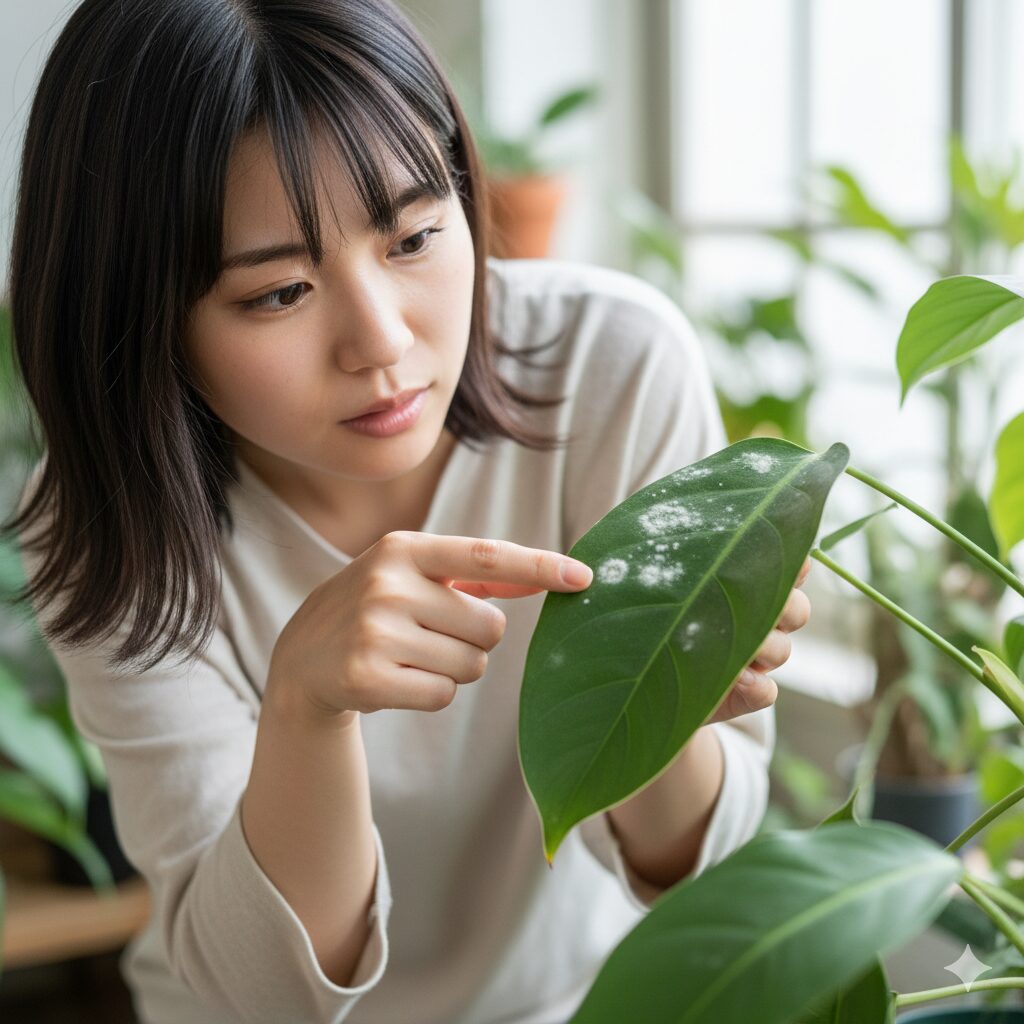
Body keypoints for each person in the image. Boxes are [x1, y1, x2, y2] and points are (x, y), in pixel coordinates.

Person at [4, 1, 810, 1022]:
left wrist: (671, 684)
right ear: (139, 316)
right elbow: (262, 988)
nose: (380, 341)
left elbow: (695, 871)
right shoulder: (105, 520)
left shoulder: (612, 371)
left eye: (416, 235)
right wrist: (304, 706)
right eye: (278, 294)